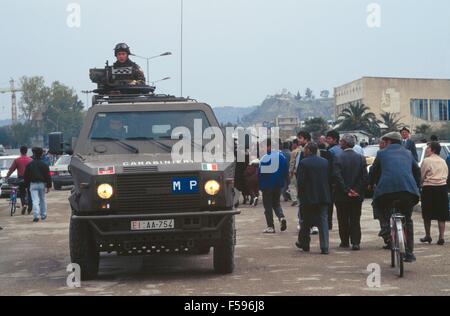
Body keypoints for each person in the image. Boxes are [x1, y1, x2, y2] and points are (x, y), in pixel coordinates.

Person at [370, 132, 421, 263]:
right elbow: (417, 171)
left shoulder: (381, 153)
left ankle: (386, 228)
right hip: (408, 192)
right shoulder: (408, 153)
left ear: (388, 142)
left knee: (378, 203)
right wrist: (416, 186)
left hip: (387, 192)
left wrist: (370, 184)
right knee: (408, 219)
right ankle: (409, 252)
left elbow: (374, 171)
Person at [333, 135, 368, 250]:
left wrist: (346, 190)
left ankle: (344, 241)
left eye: (341, 141)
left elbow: (337, 177)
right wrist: (356, 190)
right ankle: (356, 242)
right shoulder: (361, 158)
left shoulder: (338, 157)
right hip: (356, 195)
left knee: (342, 219)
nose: (340, 143)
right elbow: (364, 177)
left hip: (342, 195)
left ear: (345, 143)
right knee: (355, 219)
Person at [295, 142, 331, 254]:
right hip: (323, 196)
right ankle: (324, 247)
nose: (303, 151)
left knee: (305, 221)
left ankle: (305, 244)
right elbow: (329, 179)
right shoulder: (325, 162)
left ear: (309, 150)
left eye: (305, 149)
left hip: (308, 197)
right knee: (323, 221)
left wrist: (300, 196)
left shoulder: (304, 163)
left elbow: (300, 182)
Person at [420, 142, 449, 246]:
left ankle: (428, 235)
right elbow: (446, 175)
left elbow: (422, 176)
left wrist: (420, 184)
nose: (427, 149)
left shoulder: (427, 161)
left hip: (429, 188)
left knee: (427, 213)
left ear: (432, 149)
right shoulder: (443, 161)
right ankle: (441, 237)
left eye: (428, 148)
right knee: (442, 213)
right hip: (442, 188)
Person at [258, 138, 288, 234]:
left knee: (268, 206)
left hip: (267, 185)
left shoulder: (265, 158)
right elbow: (285, 172)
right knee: (276, 203)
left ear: (270, 146)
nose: (263, 149)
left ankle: (270, 226)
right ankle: (281, 217)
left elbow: (259, 173)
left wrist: (260, 185)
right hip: (278, 184)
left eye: (264, 146)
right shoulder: (282, 157)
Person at [24, 147, 52, 223]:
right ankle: (43, 215)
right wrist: (49, 186)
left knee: (35, 200)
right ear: (41, 154)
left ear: (34, 154)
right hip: (42, 184)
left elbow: (26, 176)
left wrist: (26, 186)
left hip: (33, 184)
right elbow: (48, 176)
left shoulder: (29, 165)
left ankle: (36, 216)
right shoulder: (44, 165)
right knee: (42, 199)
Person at [6, 146, 32, 215]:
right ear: (26, 151)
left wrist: (7, 176)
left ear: (20, 151)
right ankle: (29, 208)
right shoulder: (30, 160)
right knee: (30, 193)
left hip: (20, 179)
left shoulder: (17, 160)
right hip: (29, 179)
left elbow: (11, 169)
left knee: (22, 193)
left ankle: (23, 204)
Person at [325, 130, 343, 230]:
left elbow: (329, 167)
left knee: (330, 204)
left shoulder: (330, 151)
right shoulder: (342, 149)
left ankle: (329, 224)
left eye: (329, 139)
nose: (327, 140)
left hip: (332, 180)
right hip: (341, 180)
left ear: (335, 139)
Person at [289, 139, 300, 207]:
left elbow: (292, 163)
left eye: (293, 144)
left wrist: (290, 171)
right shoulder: (302, 150)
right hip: (301, 171)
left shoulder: (294, 152)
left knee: (292, 186)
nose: (292, 145)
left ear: (295, 144)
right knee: (298, 186)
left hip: (294, 171)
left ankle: (294, 200)